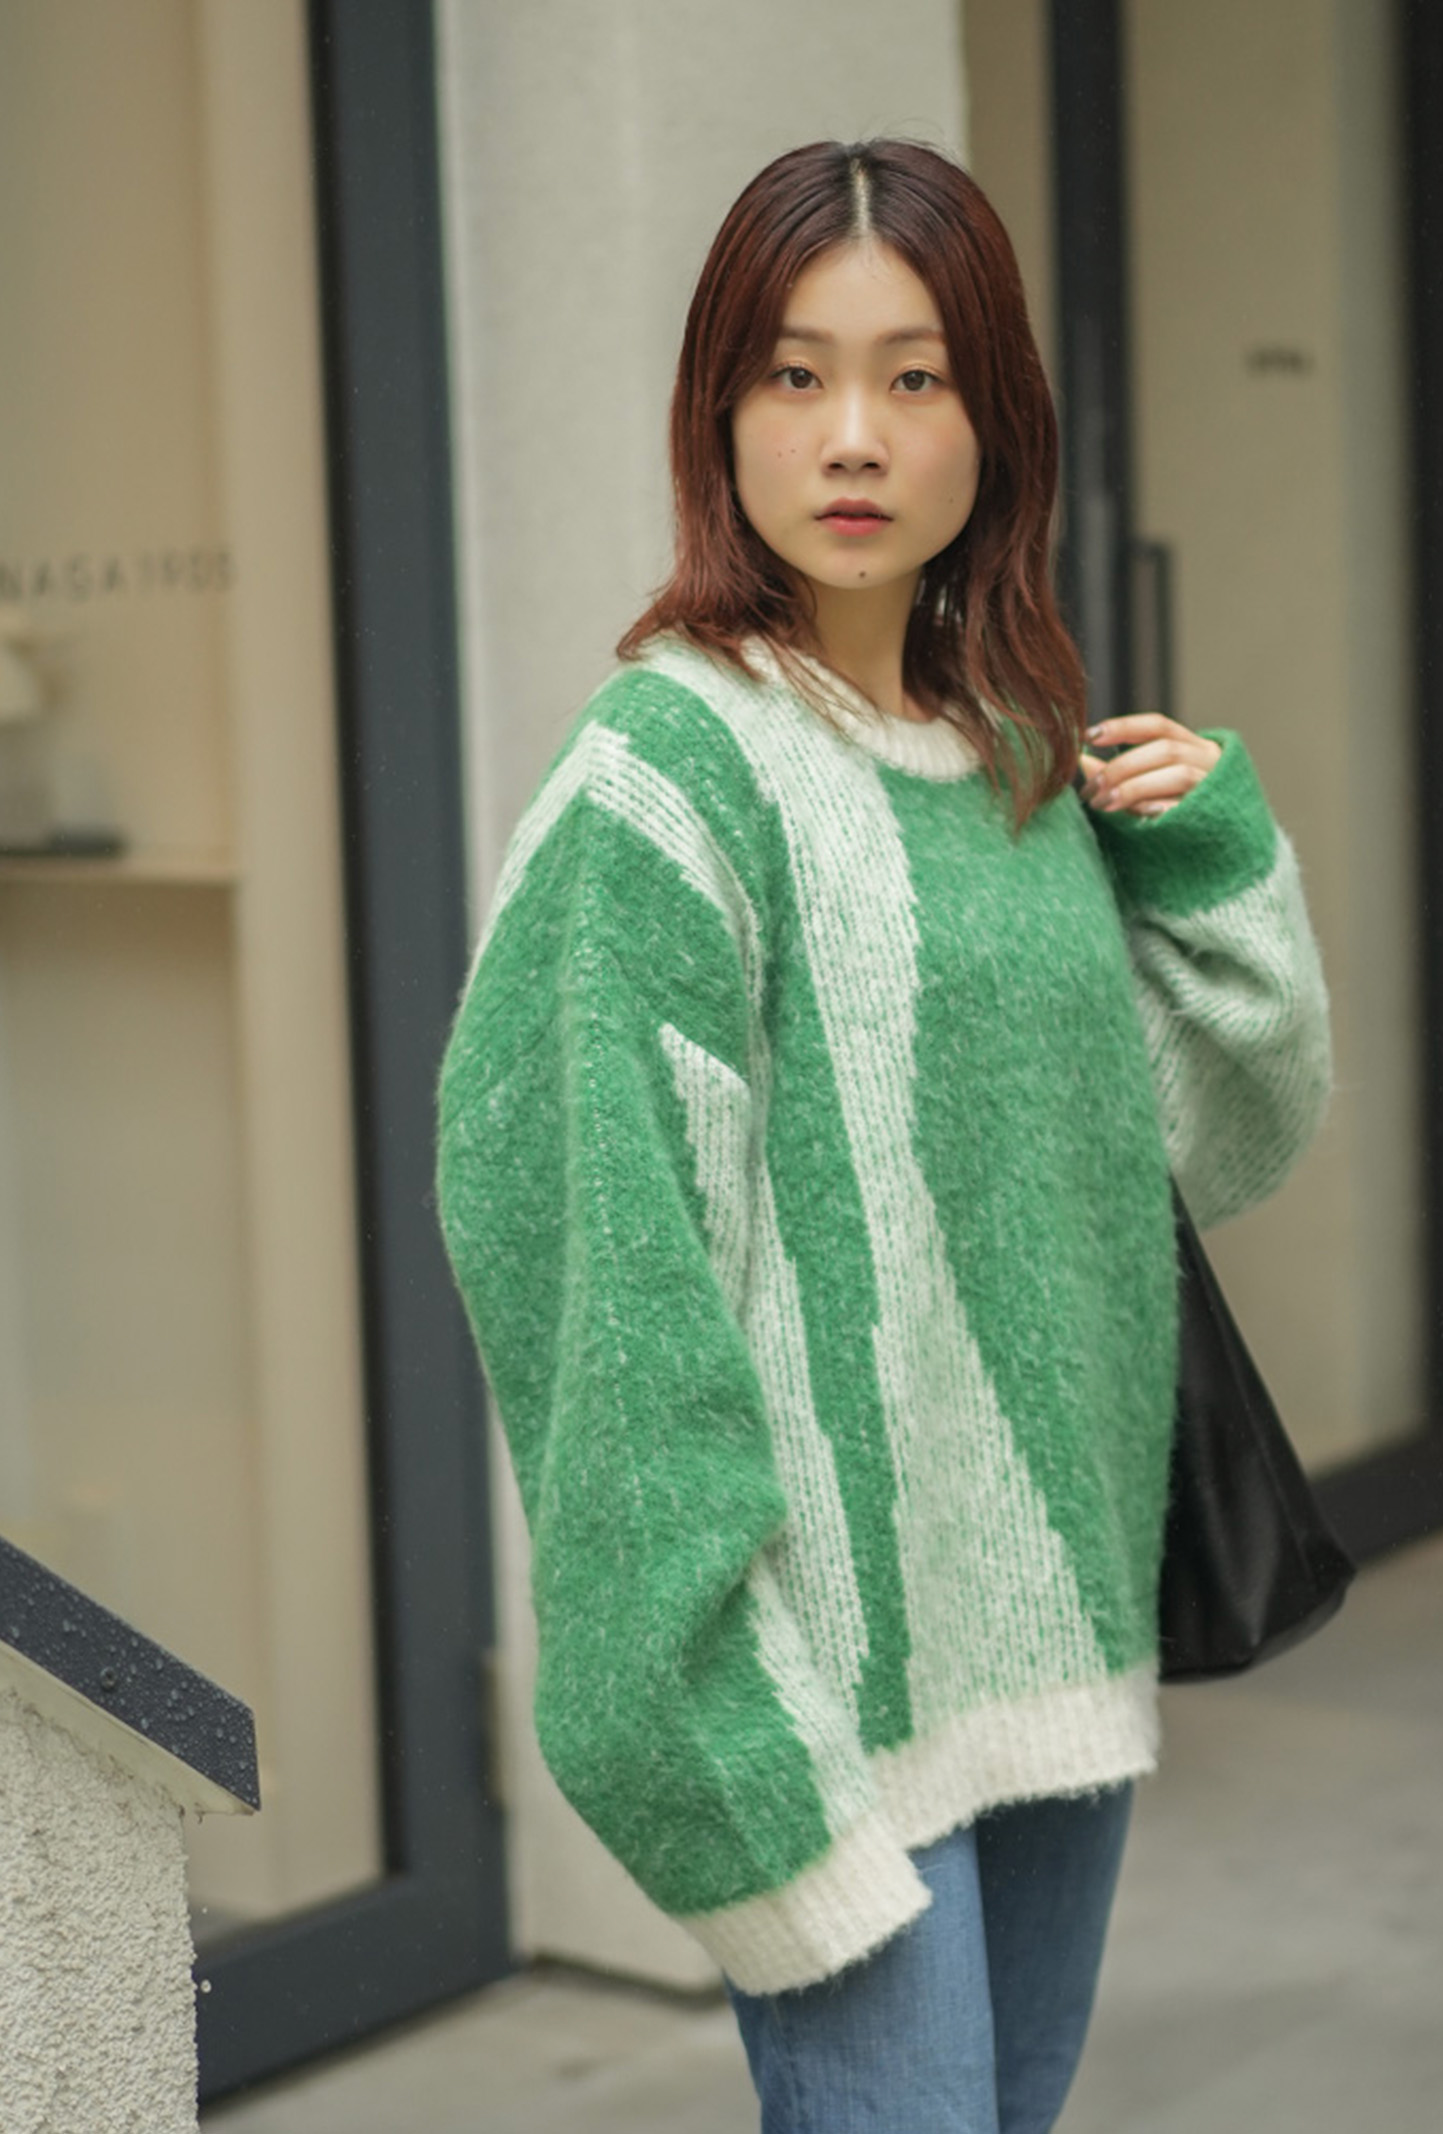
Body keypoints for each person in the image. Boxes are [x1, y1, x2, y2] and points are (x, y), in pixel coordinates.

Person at [436, 137, 1332, 2134]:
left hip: (1053, 1665)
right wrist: (721, 1762)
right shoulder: (664, 773)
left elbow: (1177, 1155)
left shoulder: (1009, 755)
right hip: (823, 1707)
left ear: (991, 425)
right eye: (793, 373)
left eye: (913, 376)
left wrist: (1214, 869)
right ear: (720, 416)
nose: (852, 435)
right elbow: (596, 1296)